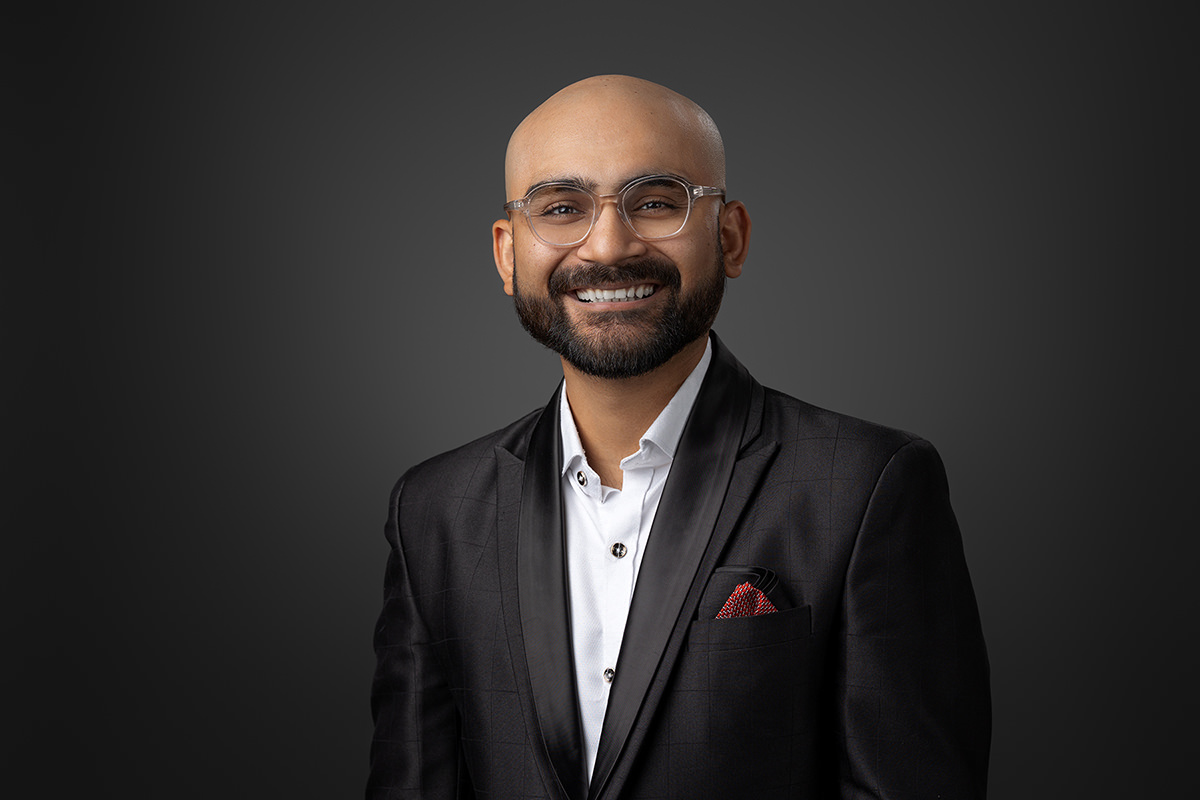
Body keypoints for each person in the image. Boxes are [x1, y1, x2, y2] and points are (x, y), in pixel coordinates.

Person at [369, 75, 990, 800]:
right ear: (508, 255)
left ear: (729, 236)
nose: (606, 246)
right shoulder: (434, 510)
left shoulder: (869, 487)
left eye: (656, 202)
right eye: (562, 208)